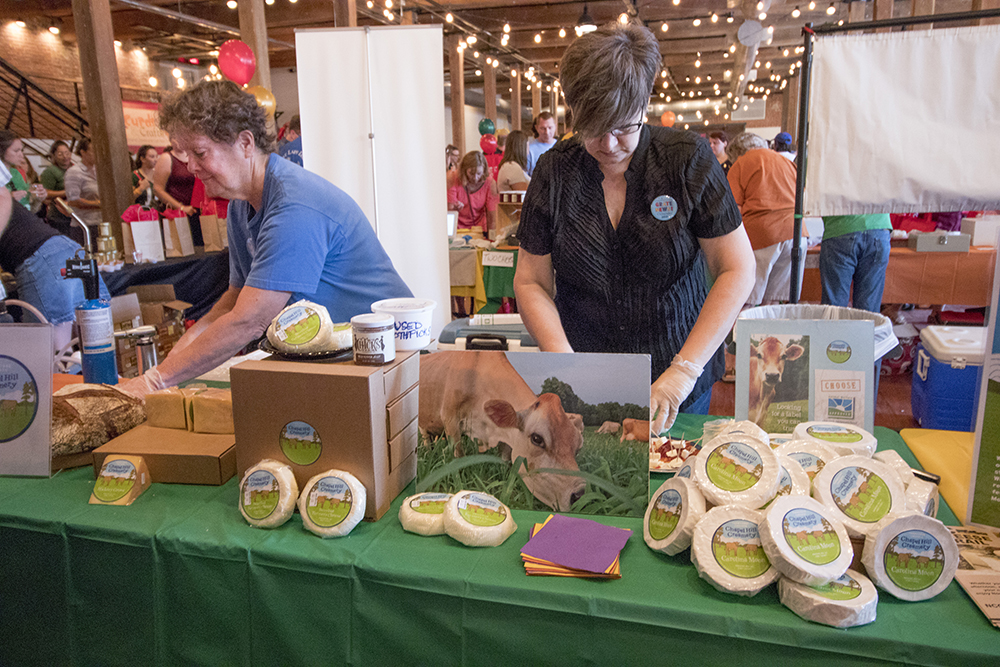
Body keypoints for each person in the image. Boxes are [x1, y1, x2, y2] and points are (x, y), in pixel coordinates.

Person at [513, 22, 755, 433]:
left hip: (681, 374)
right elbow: (531, 281)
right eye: (592, 128)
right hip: (589, 379)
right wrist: (565, 364)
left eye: (623, 126)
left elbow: (736, 268)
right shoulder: (555, 171)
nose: (608, 144)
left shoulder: (686, 159)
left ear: (645, 104)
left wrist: (684, 370)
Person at [119, 80, 412, 397]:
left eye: (200, 152)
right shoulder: (240, 206)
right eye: (184, 154)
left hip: (386, 365)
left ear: (245, 143)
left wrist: (155, 382)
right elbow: (230, 305)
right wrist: (160, 375)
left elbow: (248, 321)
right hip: (336, 363)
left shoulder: (294, 205)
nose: (190, 166)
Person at [0, 160, 109, 354]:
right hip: (65, 249)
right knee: (91, 349)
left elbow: (2, 198)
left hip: (41, 259)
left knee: (51, 358)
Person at [726, 131, 803, 306]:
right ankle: (771, 334)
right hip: (797, 234)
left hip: (763, 233)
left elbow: (733, 211)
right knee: (774, 300)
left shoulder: (741, 163)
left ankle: (746, 333)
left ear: (737, 153)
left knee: (748, 298)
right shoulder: (788, 163)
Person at [820, 214, 892, 313]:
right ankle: (866, 328)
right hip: (878, 226)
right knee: (869, 310)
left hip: (841, 226)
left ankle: (834, 327)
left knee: (835, 306)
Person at [152, 142, 204, 245]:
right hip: (178, 212)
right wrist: (180, 207)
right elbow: (158, 189)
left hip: (197, 210)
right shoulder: (167, 158)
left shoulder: (194, 156)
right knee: (183, 246)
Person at [447, 151, 498, 236]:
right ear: (464, 170)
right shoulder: (452, 178)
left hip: (480, 231)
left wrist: (492, 239)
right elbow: (450, 212)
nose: (475, 178)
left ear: (484, 170)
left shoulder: (490, 183)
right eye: (471, 173)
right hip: (457, 231)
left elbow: (492, 217)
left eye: (479, 173)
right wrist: (454, 207)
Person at [63, 138, 103, 233]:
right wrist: (99, 204)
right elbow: (73, 201)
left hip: (100, 222)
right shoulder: (74, 172)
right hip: (84, 225)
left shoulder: (98, 171)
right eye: (93, 151)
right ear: (83, 152)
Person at [40, 140, 78, 241]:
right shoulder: (50, 172)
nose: (65, 156)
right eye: (60, 154)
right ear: (54, 156)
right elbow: (45, 193)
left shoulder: (75, 169)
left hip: (76, 214)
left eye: (67, 153)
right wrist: (65, 192)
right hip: (59, 218)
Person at [1, 131, 46, 212]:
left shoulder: (16, 173)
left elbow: (29, 210)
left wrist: (38, 199)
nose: (21, 155)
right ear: (2, 151)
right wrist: (7, 200)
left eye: (21, 150)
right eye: (16, 151)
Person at [526, 111, 557, 176]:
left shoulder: (561, 147)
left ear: (555, 126)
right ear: (536, 128)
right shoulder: (529, 148)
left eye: (550, 128)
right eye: (543, 128)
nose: (547, 132)